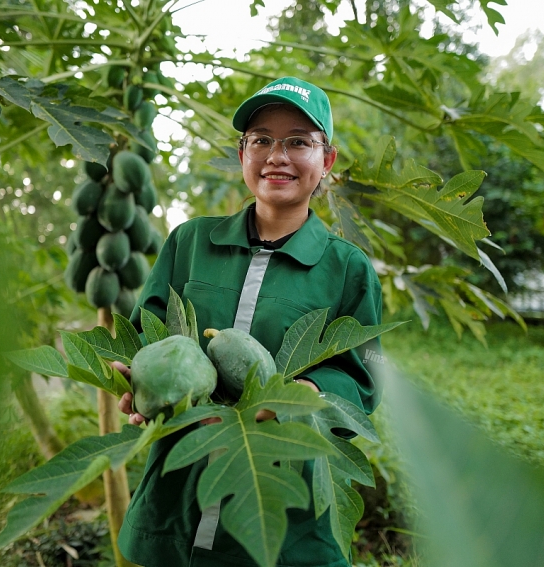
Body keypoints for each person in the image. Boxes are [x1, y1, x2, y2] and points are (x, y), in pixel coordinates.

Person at [115, 77, 383, 567]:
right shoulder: (188, 243)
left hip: (286, 511)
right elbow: (146, 335)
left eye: (298, 141)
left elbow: (364, 377)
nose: (276, 156)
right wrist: (140, 381)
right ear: (243, 154)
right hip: (178, 497)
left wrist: (297, 400)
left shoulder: (348, 268)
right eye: (261, 140)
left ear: (326, 161)